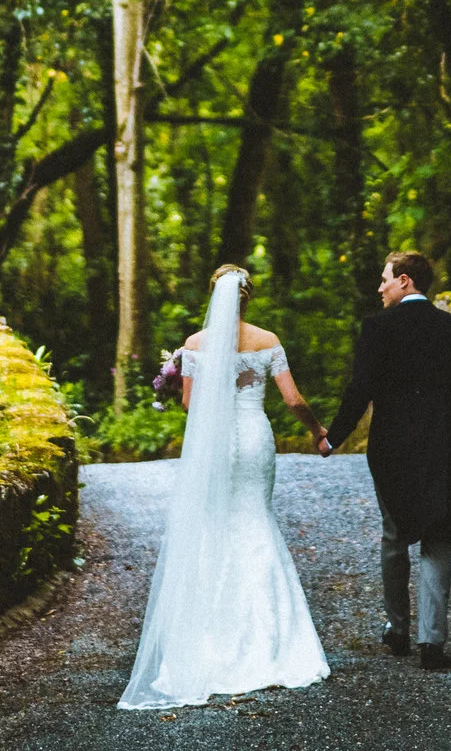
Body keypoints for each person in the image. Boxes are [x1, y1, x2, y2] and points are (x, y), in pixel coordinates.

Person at [117, 264, 332, 709]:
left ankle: (209, 642)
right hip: (254, 438)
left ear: (213, 295)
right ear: (247, 296)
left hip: (214, 444)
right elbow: (292, 399)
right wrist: (317, 429)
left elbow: (191, 403)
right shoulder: (267, 340)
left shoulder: (195, 345)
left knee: (215, 526)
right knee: (256, 519)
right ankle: (269, 642)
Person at [320, 250, 451, 672]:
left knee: (395, 535)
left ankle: (398, 630)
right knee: (438, 536)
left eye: (385, 279)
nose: (380, 288)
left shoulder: (378, 328)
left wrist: (332, 437)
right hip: (443, 446)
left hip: (392, 447)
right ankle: (433, 642)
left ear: (406, 281)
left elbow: (360, 388)